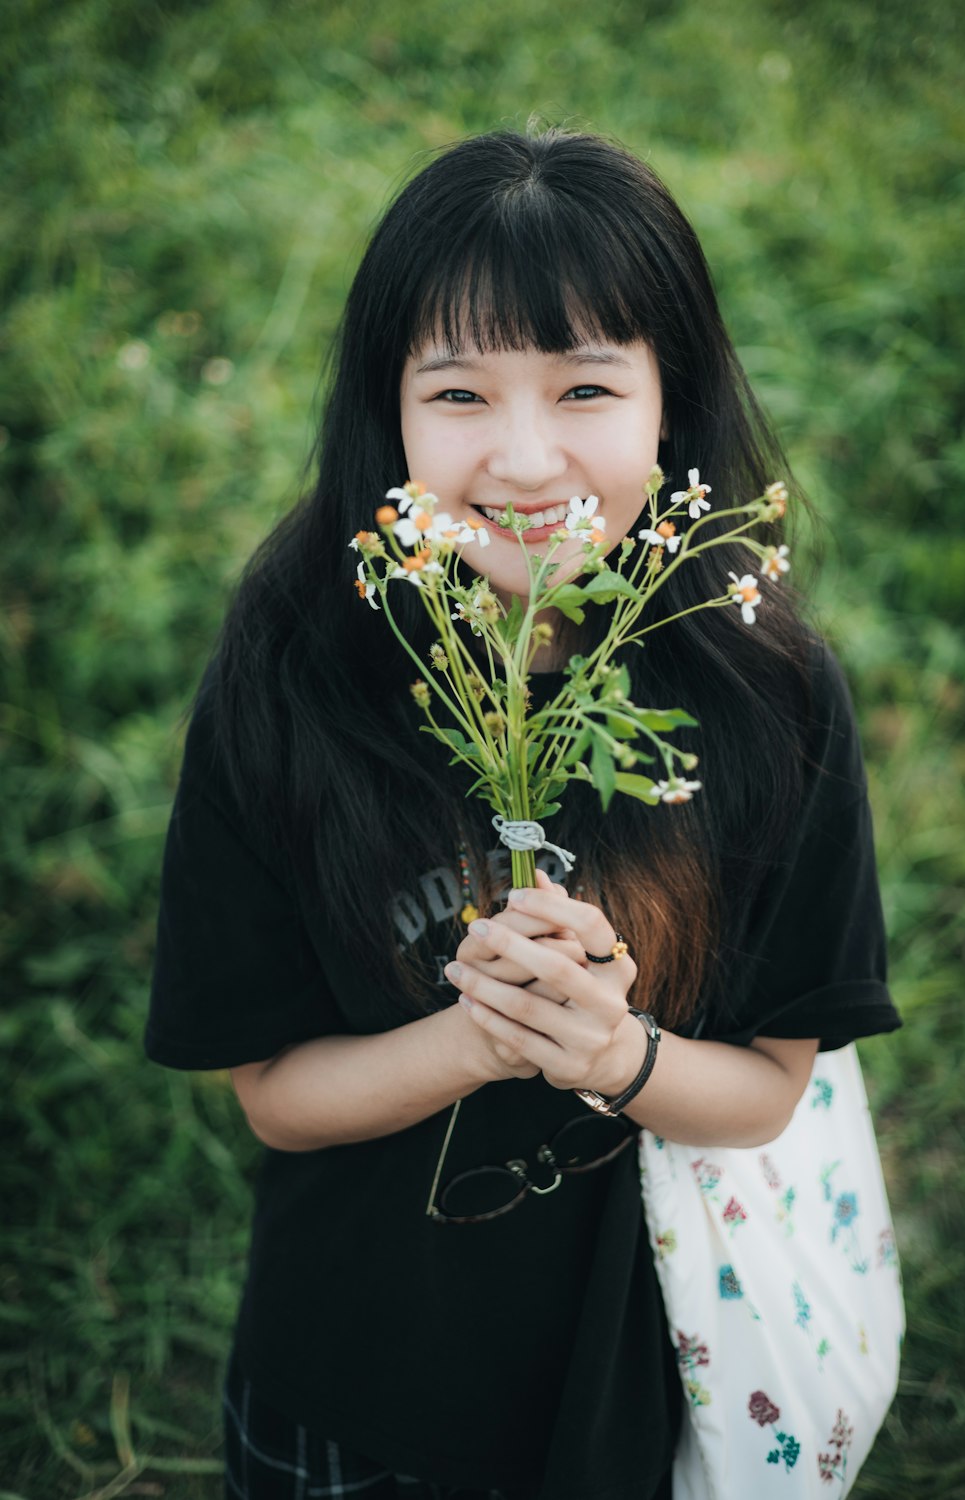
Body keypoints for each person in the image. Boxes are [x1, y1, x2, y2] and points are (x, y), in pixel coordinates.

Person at [144, 127, 901, 1500]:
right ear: (390, 409)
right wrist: (480, 1037)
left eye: (589, 386)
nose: (528, 458)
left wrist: (614, 1055)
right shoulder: (295, 668)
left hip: (642, 1396)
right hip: (351, 1394)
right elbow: (272, 1095)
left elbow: (771, 1089)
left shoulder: (764, 689)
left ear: (674, 401)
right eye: (460, 395)